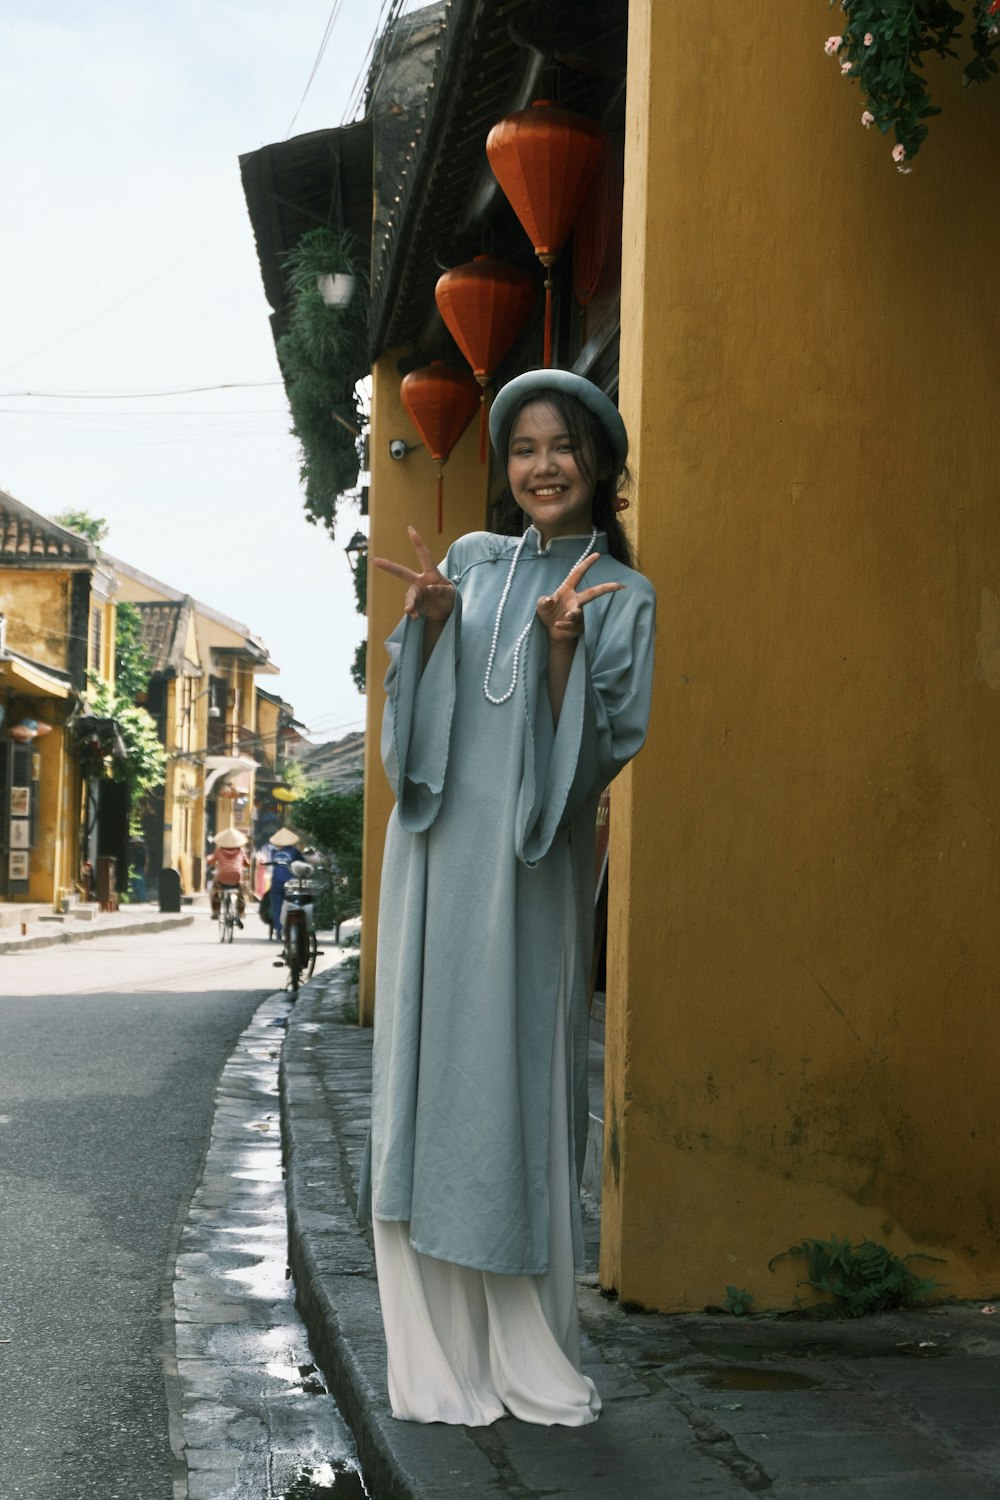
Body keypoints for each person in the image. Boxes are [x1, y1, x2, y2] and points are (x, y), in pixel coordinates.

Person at [360, 368, 656, 1427]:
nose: (541, 466)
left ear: (599, 464)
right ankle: (433, 1349)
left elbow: (596, 759)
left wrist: (564, 652)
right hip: (435, 858)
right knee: (427, 1081)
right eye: (523, 448)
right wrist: (433, 625)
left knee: (508, 1084)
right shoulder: (477, 564)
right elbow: (412, 751)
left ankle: (521, 1348)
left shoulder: (625, 595)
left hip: (528, 874)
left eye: (562, 447)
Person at [206, 828, 249, 926]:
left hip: (222, 877)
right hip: (236, 878)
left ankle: (216, 911)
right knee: (241, 894)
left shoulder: (219, 850)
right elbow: (247, 863)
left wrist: (209, 859)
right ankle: (239, 913)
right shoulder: (241, 851)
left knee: (214, 891)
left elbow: (210, 861)